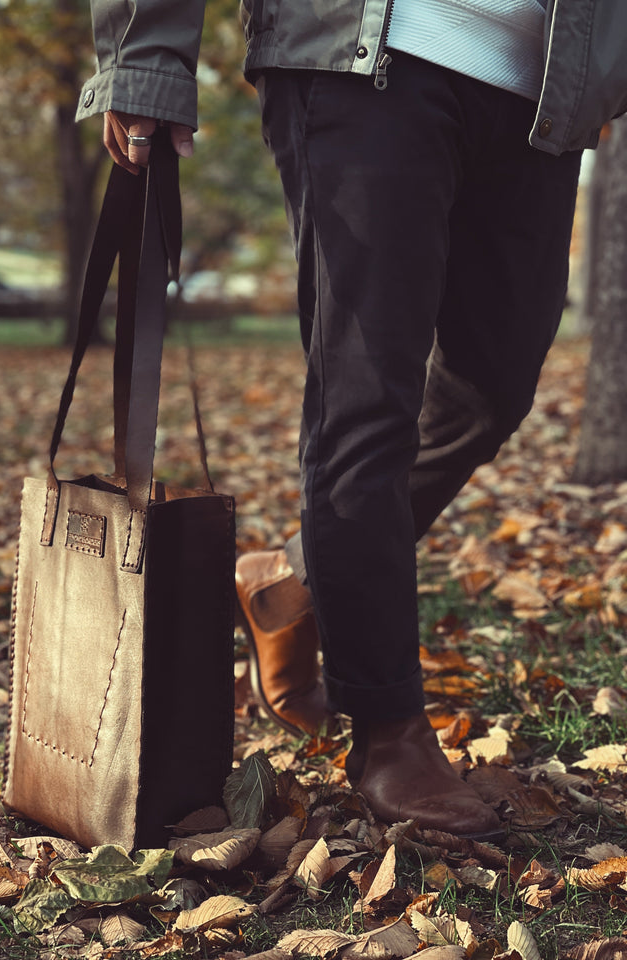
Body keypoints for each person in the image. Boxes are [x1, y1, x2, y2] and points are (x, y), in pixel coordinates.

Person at [78, 0, 627, 840]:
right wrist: (144, 55)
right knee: (365, 403)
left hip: (543, 85)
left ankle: (290, 579)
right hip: (368, 56)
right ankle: (387, 730)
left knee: (492, 388)